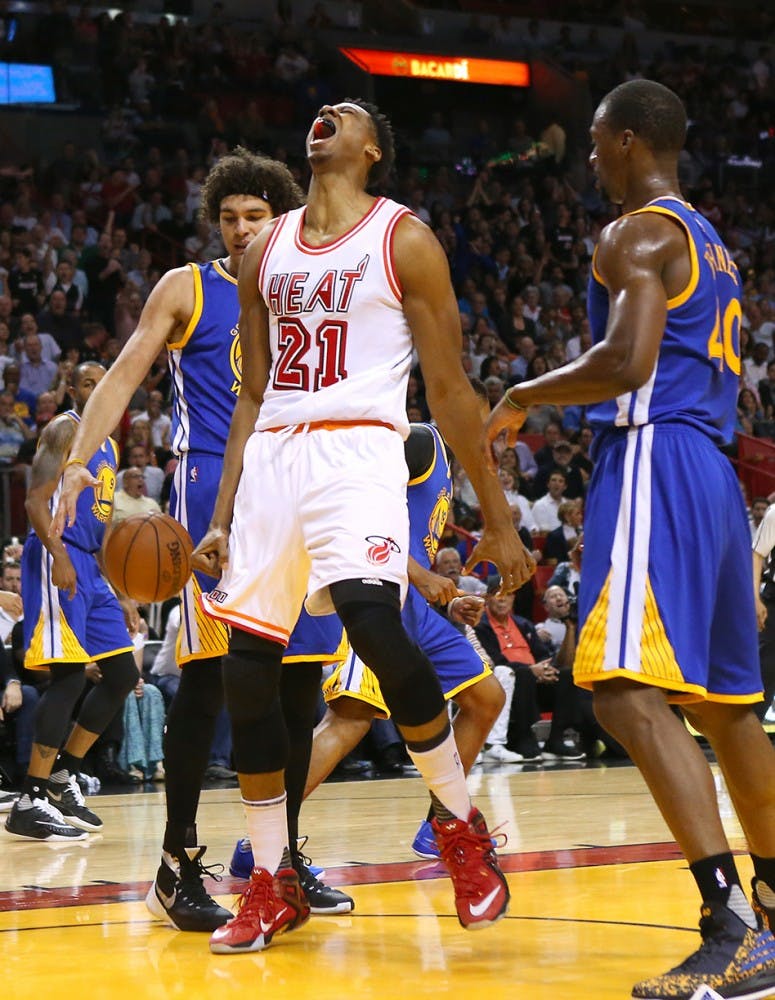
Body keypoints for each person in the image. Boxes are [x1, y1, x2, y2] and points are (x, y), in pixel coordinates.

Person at [188, 98, 533, 954]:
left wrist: (497, 520)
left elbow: (450, 390)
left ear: (372, 147)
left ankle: (459, 828)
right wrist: (224, 513)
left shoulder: (402, 238)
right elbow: (253, 391)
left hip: (359, 451)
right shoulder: (263, 248)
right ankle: (270, 882)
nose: (324, 116)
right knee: (247, 668)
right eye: (320, 109)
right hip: (273, 458)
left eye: (345, 113)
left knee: (375, 627)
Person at [485, 79, 775, 999]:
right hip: (712, 475)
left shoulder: (635, 231)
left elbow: (626, 361)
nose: (588, 160)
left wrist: (523, 397)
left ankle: (725, 920)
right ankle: (772, 919)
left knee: (615, 689)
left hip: (654, 460)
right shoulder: (715, 245)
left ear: (622, 140)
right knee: (728, 709)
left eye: (595, 144)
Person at [51, 149, 344, 931]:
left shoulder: (306, 291)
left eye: (256, 217)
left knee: (298, 684)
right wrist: (80, 460)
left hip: (298, 486)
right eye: (229, 217)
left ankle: (277, 861)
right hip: (213, 488)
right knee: (213, 679)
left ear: (281, 221)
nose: (241, 229)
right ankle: (176, 862)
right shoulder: (187, 286)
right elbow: (121, 373)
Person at [4, 362, 140, 841]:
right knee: (66, 679)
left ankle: (63, 773)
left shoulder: (110, 446)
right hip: (56, 555)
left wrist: (120, 592)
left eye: (102, 381)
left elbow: (101, 527)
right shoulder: (66, 429)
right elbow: (35, 502)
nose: (95, 388)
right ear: (73, 389)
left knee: (123, 674)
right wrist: (59, 555)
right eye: (86, 382)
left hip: (91, 568)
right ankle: (30, 799)